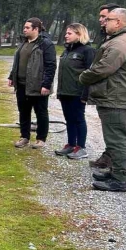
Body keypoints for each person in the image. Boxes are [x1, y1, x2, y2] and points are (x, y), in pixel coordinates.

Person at [80, 8, 126, 192]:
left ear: (119, 22)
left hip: (116, 96)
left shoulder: (122, 42)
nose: (104, 22)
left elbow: (103, 68)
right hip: (115, 94)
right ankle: (115, 171)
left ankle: (120, 178)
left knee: (116, 138)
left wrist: (84, 77)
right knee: (114, 137)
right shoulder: (121, 39)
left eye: (108, 19)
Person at [8, 17, 56, 149]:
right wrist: (12, 76)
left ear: (36, 29)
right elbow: (17, 62)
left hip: (37, 85)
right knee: (23, 111)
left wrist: (46, 84)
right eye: (24, 27)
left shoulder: (45, 44)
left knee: (41, 112)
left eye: (27, 27)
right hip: (22, 85)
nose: (24, 30)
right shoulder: (22, 43)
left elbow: (51, 66)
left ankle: (41, 139)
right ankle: (24, 137)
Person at [55, 23, 95, 160]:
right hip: (65, 92)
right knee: (69, 119)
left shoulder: (87, 51)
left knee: (78, 119)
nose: (66, 35)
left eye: (69, 33)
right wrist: (59, 91)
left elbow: (91, 73)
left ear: (79, 34)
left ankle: (81, 147)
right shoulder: (67, 50)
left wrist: (86, 94)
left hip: (77, 92)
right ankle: (71, 145)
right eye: (66, 33)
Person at [88, 3, 120, 170]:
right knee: (109, 130)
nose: (101, 20)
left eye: (105, 17)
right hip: (105, 91)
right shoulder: (106, 36)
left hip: (114, 92)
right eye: (100, 17)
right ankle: (109, 157)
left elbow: (106, 67)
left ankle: (117, 169)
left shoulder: (118, 40)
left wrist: (86, 77)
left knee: (116, 132)